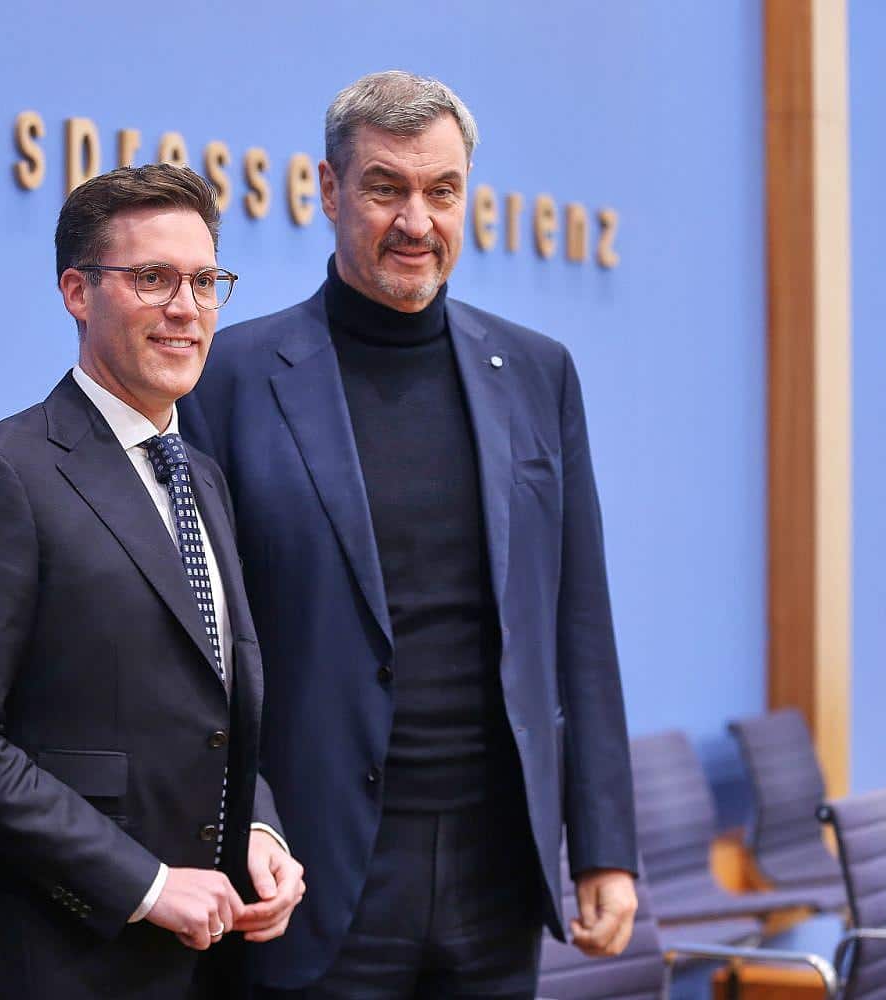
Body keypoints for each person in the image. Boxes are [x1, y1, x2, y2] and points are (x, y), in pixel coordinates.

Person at [179, 71, 639, 998]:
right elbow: (201, 645)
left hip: (498, 870)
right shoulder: (227, 377)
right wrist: (249, 820)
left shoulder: (537, 374)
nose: (416, 222)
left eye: (442, 190)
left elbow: (578, 622)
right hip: (308, 872)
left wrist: (604, 847)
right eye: (386, 187)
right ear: (328, 189)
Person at [0, 163, 304, 999]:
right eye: (153, 278)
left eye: (204, 281)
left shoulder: (200, 475)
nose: (186, 307)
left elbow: (214, 713)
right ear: (76, 292)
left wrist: (257, 826)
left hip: (209, 956)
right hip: (63, 958)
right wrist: (145, 884)